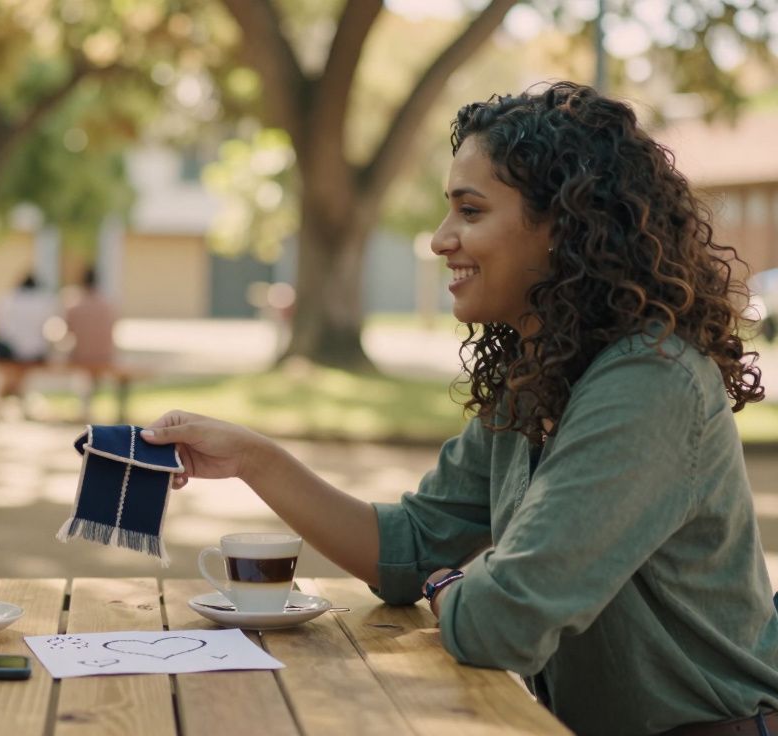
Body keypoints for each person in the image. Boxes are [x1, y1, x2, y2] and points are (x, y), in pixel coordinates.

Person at [142, 82, 778, 735]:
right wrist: (254, 458)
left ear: (567, 228)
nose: (441, 239)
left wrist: (450, 591)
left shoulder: (651, 383)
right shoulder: (538, 377)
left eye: (470, 212)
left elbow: (500, 623)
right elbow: (409, 549)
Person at [0, 272, 59, 399]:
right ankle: (12, 395)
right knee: (19, 370)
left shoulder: (7, 299)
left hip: (10, 350)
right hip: (34, 352)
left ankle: (6, 395)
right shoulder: (43, 302)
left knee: (11, 371)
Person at [64, 266, 119, 419]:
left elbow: (69, 330)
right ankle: (88, 405)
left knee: (81, 373)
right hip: (105, 355)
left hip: (82, 355)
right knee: (91, 376)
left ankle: (84, 406)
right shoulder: (107, 304)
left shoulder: (74, 304)